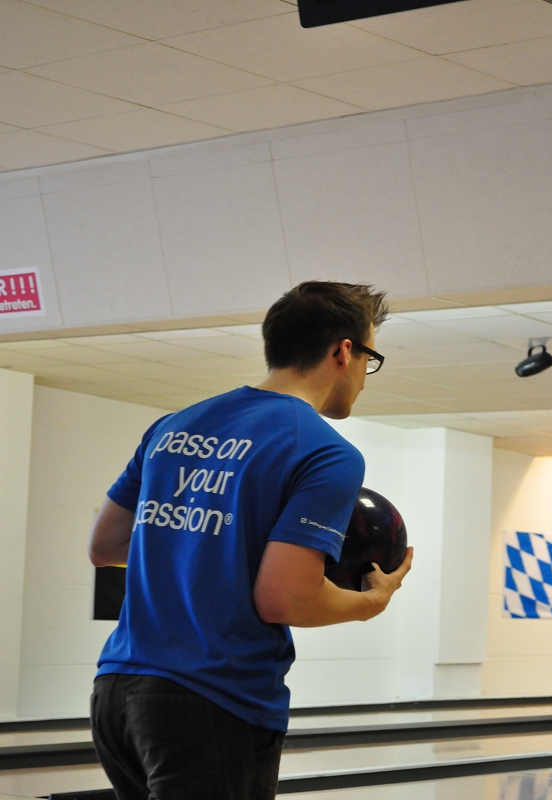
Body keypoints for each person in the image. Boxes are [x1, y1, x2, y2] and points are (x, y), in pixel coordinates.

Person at [88, 280, 414, 800]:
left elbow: (105, 546)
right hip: (213, 698)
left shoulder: (173, 426)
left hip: (116, 692)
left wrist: (209, 550)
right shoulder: (326, 452)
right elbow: (284, 598)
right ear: (343, 351)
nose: (363, 378)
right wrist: (369, 603)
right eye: (369, 360)